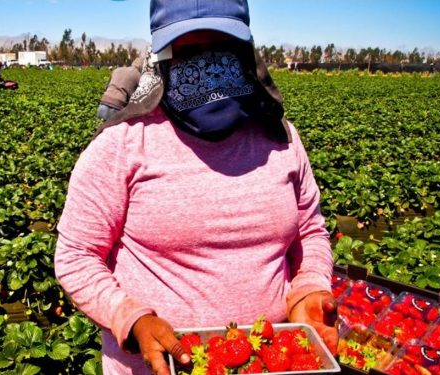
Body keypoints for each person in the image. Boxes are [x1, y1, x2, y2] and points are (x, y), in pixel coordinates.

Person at [53, 1, 337, 374]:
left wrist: (310, 288)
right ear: (163, 56)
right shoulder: (121, 145)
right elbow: (76, 255)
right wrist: (131, 318)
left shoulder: (280, 138)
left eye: (221, 45)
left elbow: (311, 231)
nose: (207, 64)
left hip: (268, 362)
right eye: (187, 50)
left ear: (245, 50)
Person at [96, 57, 144, 121]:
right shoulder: (138, 76)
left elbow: (106, 87)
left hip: (103, 102)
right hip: (117, 107)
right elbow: (136, 98)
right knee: (115, 129)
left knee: (101, 127)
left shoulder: (117, 69)